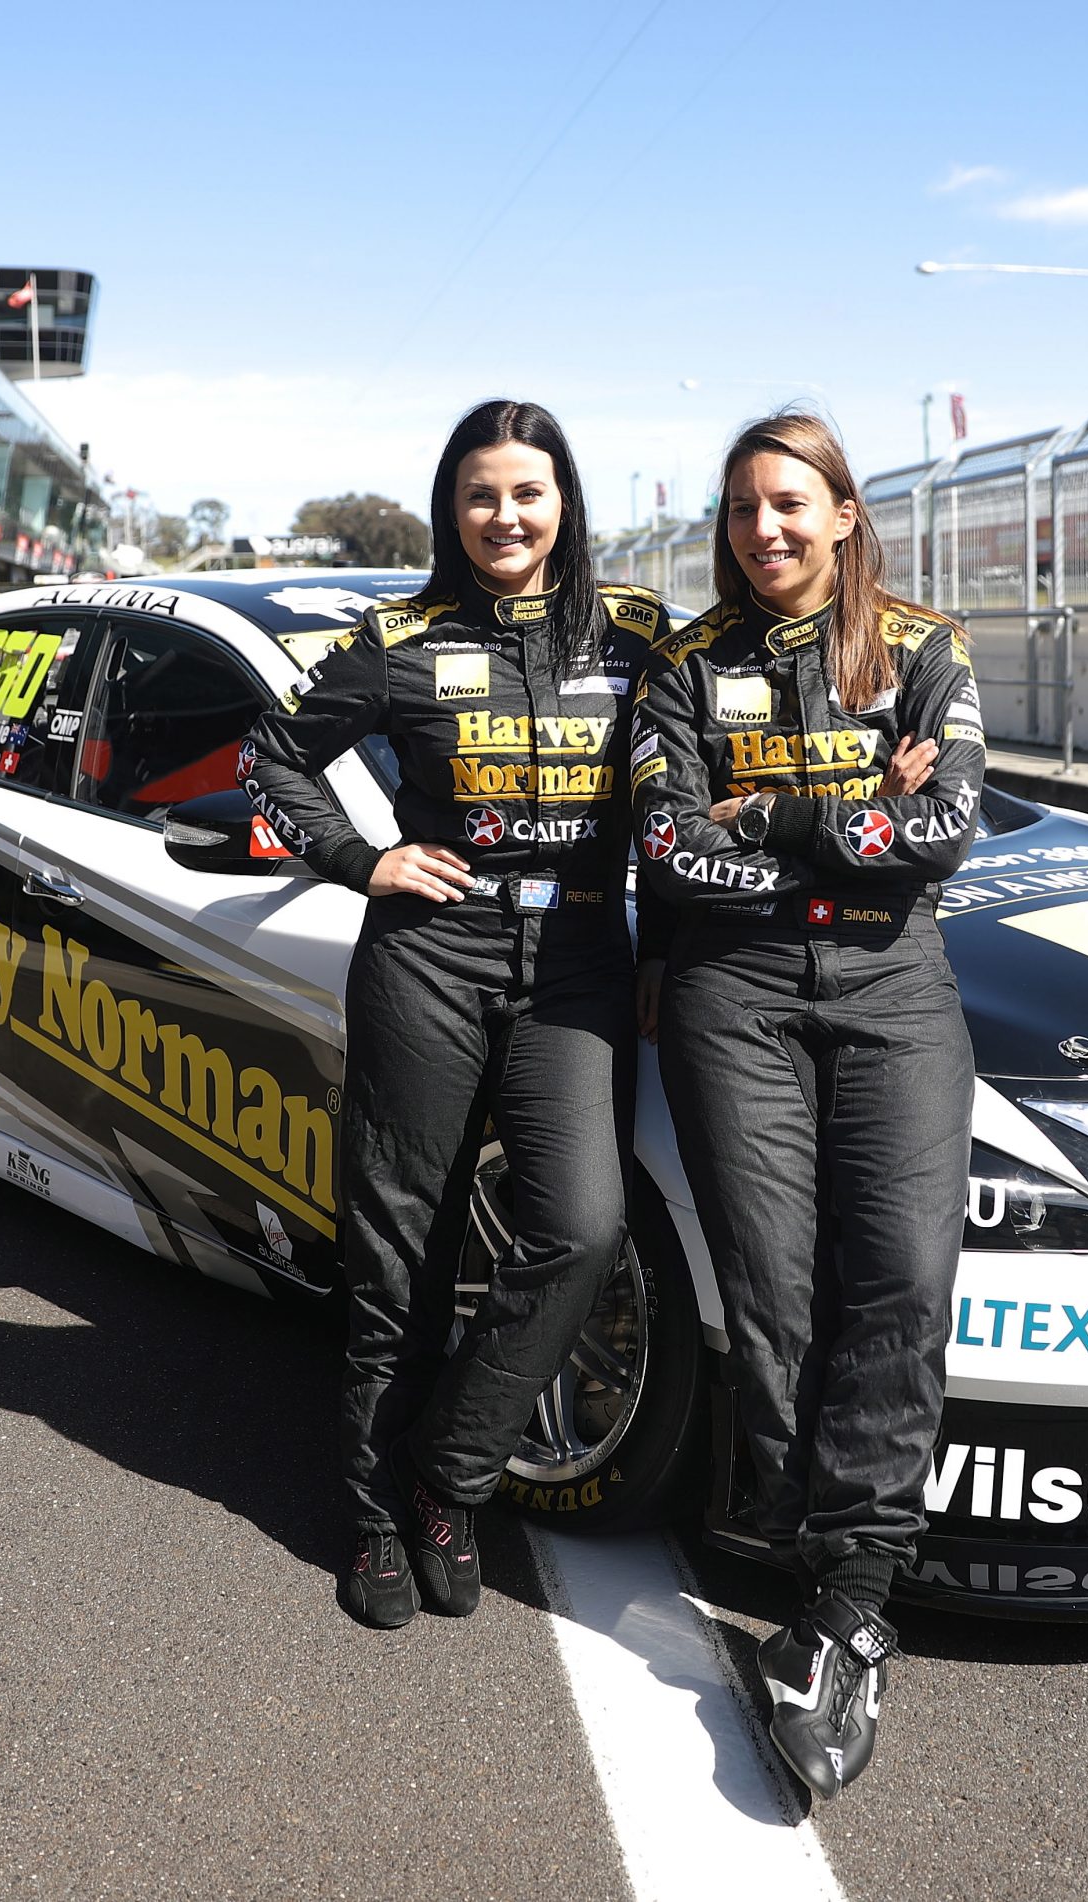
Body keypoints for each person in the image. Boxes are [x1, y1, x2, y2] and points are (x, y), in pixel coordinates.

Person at [242, 399, 664, 1628]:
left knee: (581, 1231)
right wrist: (357, 857)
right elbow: (270, 753)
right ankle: (375, 1519)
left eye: (527, 493)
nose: (504, 516)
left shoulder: (637, 632)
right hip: (430, 954)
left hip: (580, 955)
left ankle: (446, 1474)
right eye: (480, 495)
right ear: (452, 509)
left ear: (565, 502)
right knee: (401, 1253)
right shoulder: (399, 635)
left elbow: (721, 757)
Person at [630, 409, 983, 1799]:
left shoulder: (925, 645)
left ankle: (851, 1597)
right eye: (739, 510)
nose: (760, 529)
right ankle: (798, 1537)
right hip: (735, 998)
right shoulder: (683, 665)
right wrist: (850, 820)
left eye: (788, 503)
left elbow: (947, 823)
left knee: (900, 1277)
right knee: (774, 1290)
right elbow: (668, 849)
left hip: (898, 991)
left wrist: (763, 813)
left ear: (844, 512)